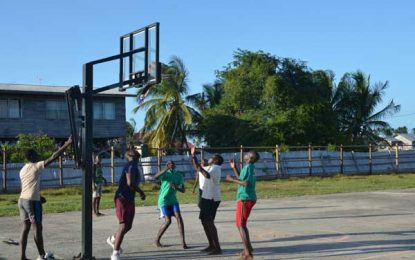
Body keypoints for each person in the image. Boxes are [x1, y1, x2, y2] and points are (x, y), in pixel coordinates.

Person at [18, 136, 72, 260]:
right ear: (32, 157)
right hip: (31, 201)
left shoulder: (22, 169)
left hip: (22, 200)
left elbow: (25, 186)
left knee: (26, 228)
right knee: (37, 227)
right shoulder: (36, 166)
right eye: (36, 154)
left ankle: (22, 257)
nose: (38, 155)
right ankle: (42, 256)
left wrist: (39, 196)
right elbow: (53, 157)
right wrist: (67, 144)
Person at [107, 149, 145, 260]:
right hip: (122, 197)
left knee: (128, 226)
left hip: (129, 198)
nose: (136, 151)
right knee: (123, 225)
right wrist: (141, 192)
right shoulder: (130, 165)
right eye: (133, 150)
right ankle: (115, 254)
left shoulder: (134, 165)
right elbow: (130, 183)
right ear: (129, 155)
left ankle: (113, 239)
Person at [226, 150, 260, 260]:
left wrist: (231, 180)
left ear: (250, 158)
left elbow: (245, 183)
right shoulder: (250, 167)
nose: (244, 154)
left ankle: (248, 253)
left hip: (245, 198)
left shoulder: (248, 167)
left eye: (247, 154)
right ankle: (248, 248)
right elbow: (242, 179)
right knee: (242, 224)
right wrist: (234, 167)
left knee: (240, 225)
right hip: (249, 197)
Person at [190, 147, 223, 255]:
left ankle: (217, 247)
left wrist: (200, 167)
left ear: (216, 160)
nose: (209, 158)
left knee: (209, 222)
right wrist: (193, 155)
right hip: (206, 197)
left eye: (212, 157)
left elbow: (206, 175)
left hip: (212, 198)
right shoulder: (210, 167)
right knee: (204, 221)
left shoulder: (216, 168)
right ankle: (211, 245)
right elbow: (198, 169)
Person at [154, 160, 188, 249]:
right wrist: (165, 169)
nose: (171, 164)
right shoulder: (165, 174)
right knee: (168, 221)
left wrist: (176, 187)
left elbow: (183, 190)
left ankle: (183, 242)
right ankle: (157, 240)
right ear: (167, 165)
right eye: (168, 163)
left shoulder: (178, 175)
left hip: (173, 200)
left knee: (179, 219)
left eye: (172, 163)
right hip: (164, 200)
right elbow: (155, 177)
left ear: (175, 165)